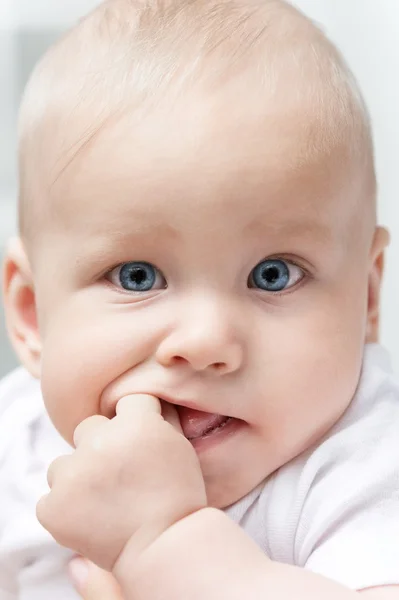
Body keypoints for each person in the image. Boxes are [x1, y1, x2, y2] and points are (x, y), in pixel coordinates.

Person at [1, 0, 398, 598]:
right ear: (33, 316)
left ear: (366, 299)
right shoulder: (20, 434)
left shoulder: (363, 463)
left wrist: (163, 546)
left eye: (273, 274)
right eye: (137, 275)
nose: (207, 340)